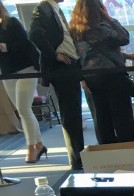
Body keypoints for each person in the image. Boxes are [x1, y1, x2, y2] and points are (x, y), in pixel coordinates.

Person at [70, 0, 134, 145]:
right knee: (122, 116)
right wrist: (110, 19)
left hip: (91, 78)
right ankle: (129, 149)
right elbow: (124, 37)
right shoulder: (101, 28)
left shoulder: (75, 30)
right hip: (112, 76)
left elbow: (88, 54)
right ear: (99, 9)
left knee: (102, 115)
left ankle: (107, 150)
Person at [29, 0, 85, 170]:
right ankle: (77, 159)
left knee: (74, 112)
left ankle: (79, 156)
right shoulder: (43, 8)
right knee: (70, 113)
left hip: (70, 65)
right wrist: (53, 55)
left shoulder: (54, 8)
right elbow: (35, 34)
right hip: (62, 67)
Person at [0, 4, 45, 163]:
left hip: (26, 68)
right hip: (7, 73)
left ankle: (31, 146)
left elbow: (23, 45)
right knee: (22, 110)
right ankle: (38, 143)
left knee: (24, 109)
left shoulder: (11, 23)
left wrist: (3, 47)